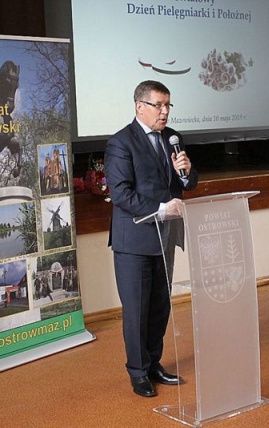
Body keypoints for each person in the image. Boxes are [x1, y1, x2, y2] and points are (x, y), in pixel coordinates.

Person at [104, 80, 198, 398]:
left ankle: (153, 363)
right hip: (133, 241)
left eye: (168, 105)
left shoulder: (173, 139)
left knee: (160, 306)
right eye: (158, 105)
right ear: (139, 106)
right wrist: (160, 209)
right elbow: (121, 194)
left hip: (164, 237)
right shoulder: (121, 142)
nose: (165, 111)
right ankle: (138, 371)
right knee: (137, 310)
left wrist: (187, 171)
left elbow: (186, 183)